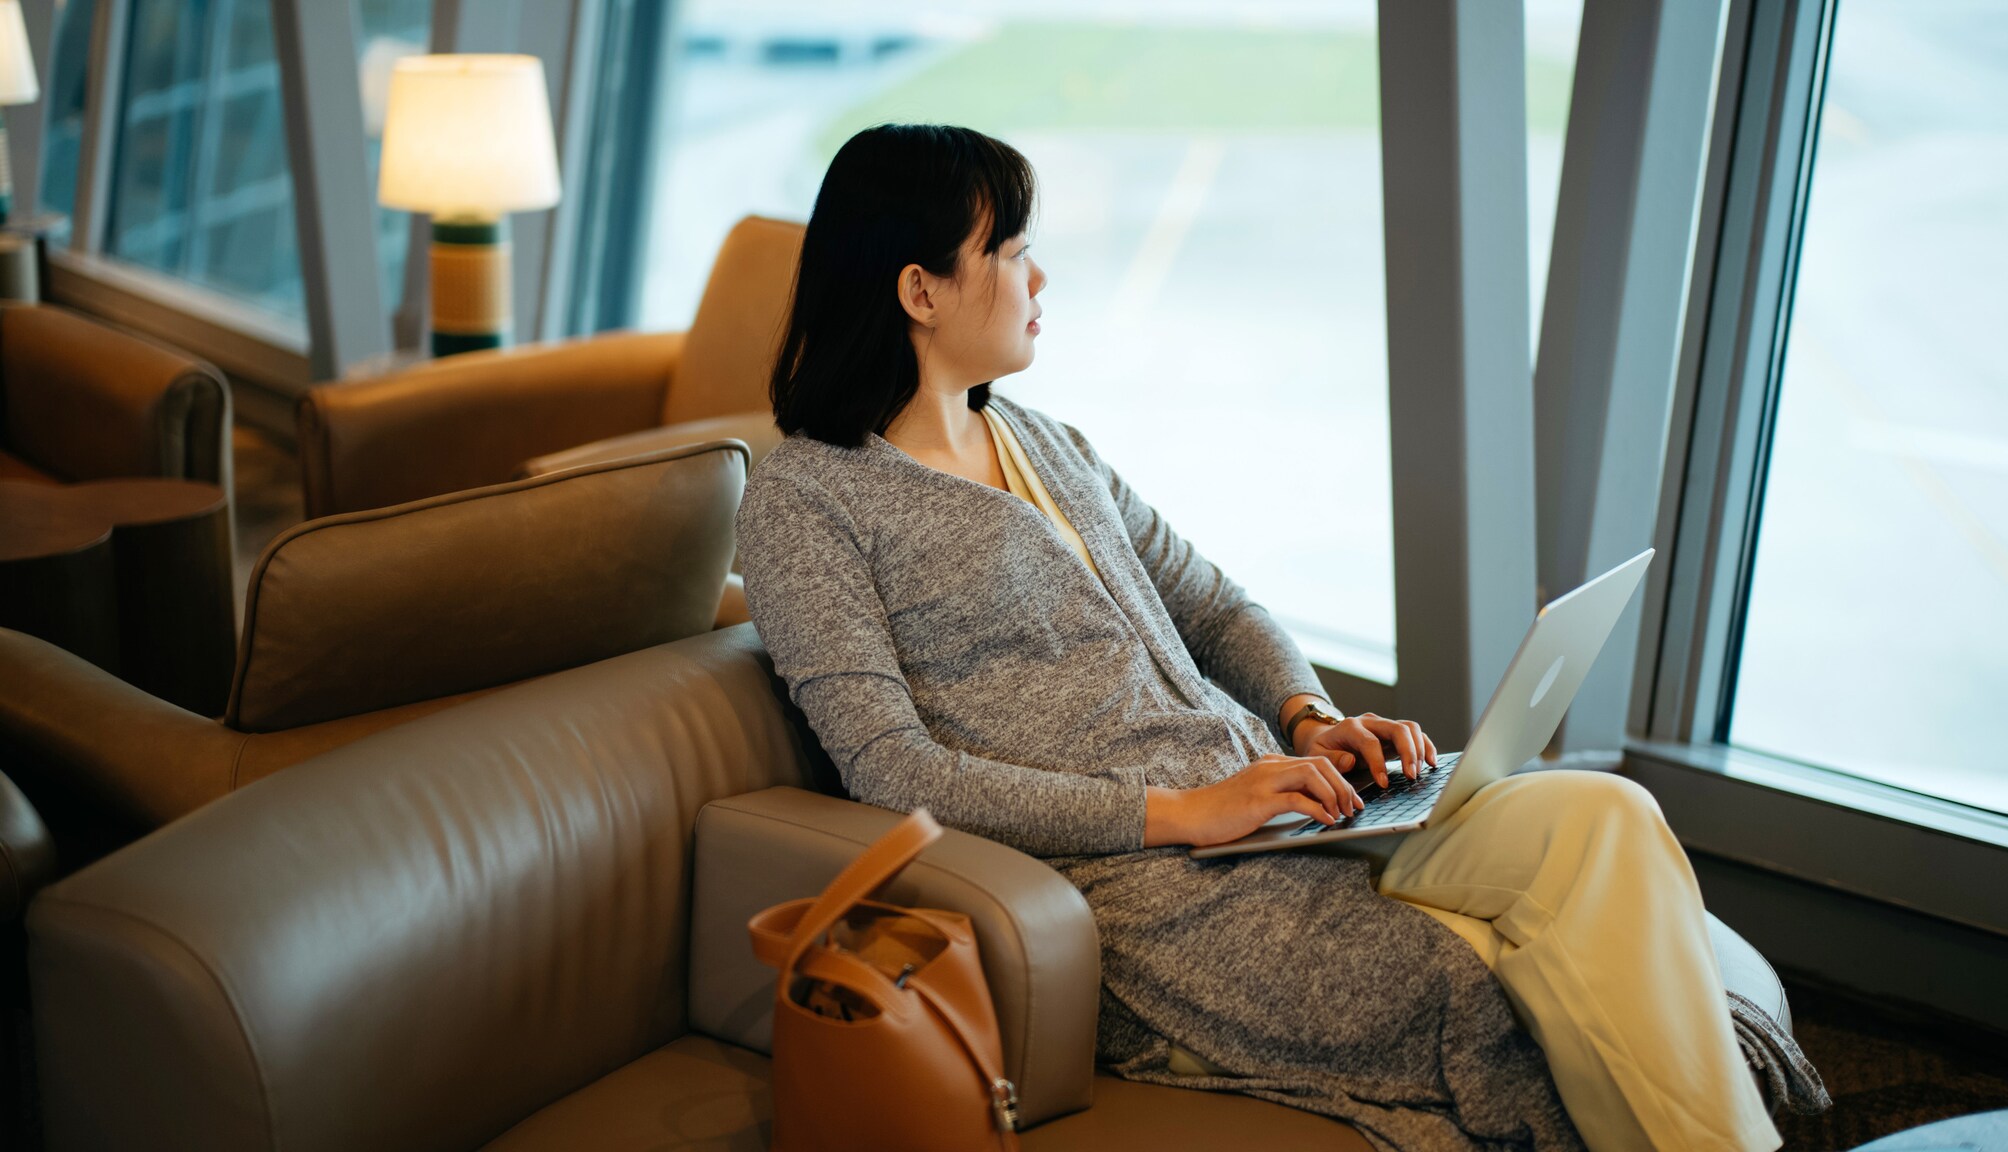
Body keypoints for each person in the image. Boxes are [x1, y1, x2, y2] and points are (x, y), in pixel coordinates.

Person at [736, 123, 1781, 1152]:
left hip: (1284, 809)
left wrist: (1307, 717)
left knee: (1601, 815)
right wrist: (1178, 813)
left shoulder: (1045, 442)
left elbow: (1214, 607)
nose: (1039, 278)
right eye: (1009, 253)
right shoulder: (808, 499)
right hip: (1148, 892)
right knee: (1487, 989)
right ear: (919, 291)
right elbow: (891, 772)